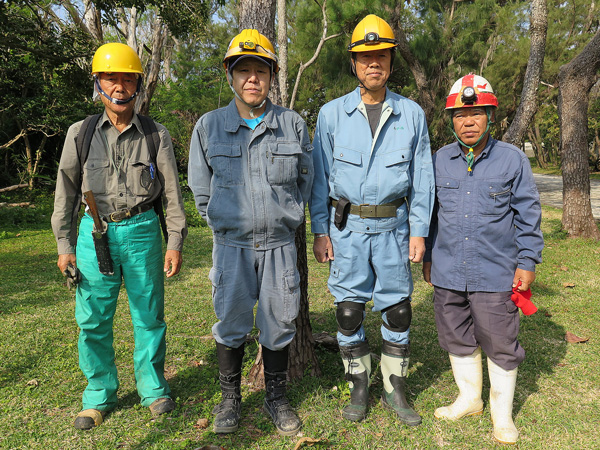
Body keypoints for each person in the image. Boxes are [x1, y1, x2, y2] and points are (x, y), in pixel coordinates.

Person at [51, 43, 187, 430]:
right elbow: (65, 192)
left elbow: (173, 192)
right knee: (93, 318)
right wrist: (64, 247)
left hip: (143, 230)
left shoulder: (155, 134)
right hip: (94, 232)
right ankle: (98, 395)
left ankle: (153, 389)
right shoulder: (81, 133)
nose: (119, 86)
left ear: (138, 85)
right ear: (98, 84)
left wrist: (174, 240)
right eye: (111, 78)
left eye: (128, 78)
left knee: (149, 316)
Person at [309, 14, 435, 426]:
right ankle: (358, 383)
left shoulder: (412, 114)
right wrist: (320, 231)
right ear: (354, 64)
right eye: (365, 57)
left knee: (398, 310)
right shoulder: (330, 115)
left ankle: (395, 387)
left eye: (380, 55)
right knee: (347, 311)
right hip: (347, 230)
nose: (373, 63)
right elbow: (319, 180)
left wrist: (419, 231)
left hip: (395, 229)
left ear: (391, 61)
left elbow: (423, 178)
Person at [188, 29, 313, 436]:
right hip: (232, 248)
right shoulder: (209, 127)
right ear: (230, 74)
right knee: (231, 323)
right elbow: (201, 191)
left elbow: (306, 181)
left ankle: (276, 398)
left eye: (261, 70)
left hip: (279, 246)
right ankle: (230, 400)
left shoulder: (292, 125)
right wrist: (227, 223)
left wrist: (287, 214)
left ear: (272, 76)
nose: (252, 78)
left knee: (279, 323)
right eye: (244, 70)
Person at [423, 73, 544, 444]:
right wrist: (428, 256)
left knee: (500, 340)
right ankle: (469, 398)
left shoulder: (512, 160)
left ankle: (502, 416)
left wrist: (527, 261)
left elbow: (528, 213)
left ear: (491, 116)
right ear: (451, 120)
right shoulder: (438, 159)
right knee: (456, 336)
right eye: (460, 115)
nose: (468, 121)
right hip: (447, 271)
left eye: (476, 114)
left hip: (495, 273)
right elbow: (427, 214)